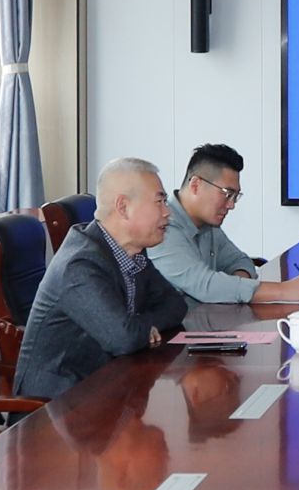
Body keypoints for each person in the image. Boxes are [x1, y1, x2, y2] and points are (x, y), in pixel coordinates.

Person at [14, 157, 190, 399]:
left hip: (106, 390)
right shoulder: (79, 265)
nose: (167, 212)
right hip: (56, 406)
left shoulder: (132, 252)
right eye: (159, 201)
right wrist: (138, 329)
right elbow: (123, 339)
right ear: (123, 207)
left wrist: (140, 325)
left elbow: (176, 305)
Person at [150, 143, 299, 303]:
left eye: (235, 196)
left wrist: (232, 288)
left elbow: (241, 261)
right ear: (195, 185)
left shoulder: (208, 225)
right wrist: (283, 291)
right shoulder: (162, 227)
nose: (231, 205)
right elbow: (204, 286)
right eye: (227, 194)